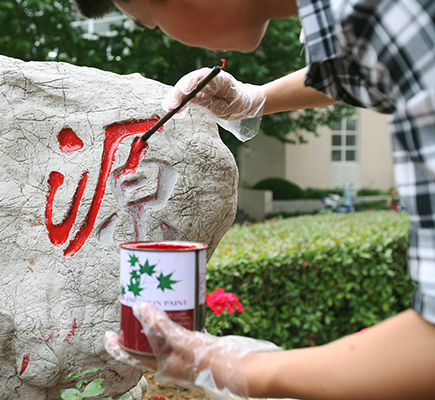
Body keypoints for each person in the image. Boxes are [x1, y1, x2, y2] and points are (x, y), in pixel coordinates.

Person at [72, 1, 435, 399]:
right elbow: (357, 68)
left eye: (151, 21)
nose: (162, 32)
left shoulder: (386, 15)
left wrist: (234, 368)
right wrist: (255, 99)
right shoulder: (374, 21)